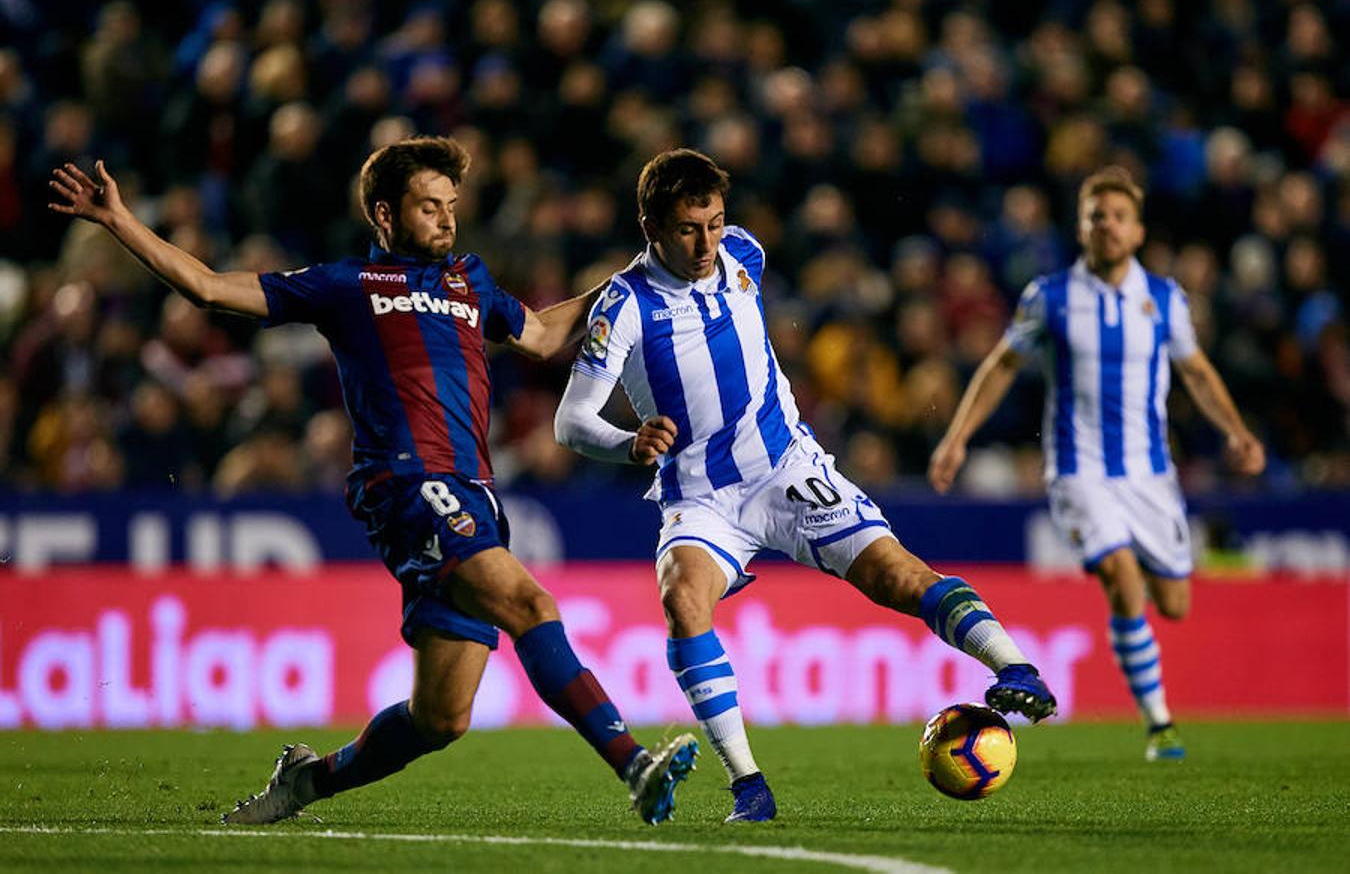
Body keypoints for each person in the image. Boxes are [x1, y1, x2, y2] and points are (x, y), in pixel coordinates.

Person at [47, 137, 698, 825]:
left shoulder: (468, 280)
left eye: (451, 206)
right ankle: (634, 764)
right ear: (385, 214)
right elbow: (208, 287)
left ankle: (303, 783)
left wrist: (631, 278)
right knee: (531, 605)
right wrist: (119, 221)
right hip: (410, 486)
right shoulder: (347, 285)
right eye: (429, 207)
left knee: (440, 718)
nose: (447, 220)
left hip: (473, 491)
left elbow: (538, 335)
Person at [553, 148, 1056, 823]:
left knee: (895, 575)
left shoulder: (743, 254)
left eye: (715, 223)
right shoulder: (626, 305)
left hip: (787, 468)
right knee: (682, 598)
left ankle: (1015, 668)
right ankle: (749, 786)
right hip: (700, 495)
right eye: (687, 229)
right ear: (650, 226)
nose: (707, 243)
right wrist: (627, 442)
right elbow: (570, 422)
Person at [929, 166, 1266, 761]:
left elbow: (1196, 372)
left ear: (1137, 232)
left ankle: (1158, 653)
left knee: (1175, 604)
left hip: (1151, 474)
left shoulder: (1164, 299)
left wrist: (1236, 431)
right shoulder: (1050, 296)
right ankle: (1160, 724)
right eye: (1095, 216)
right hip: (1078, 470)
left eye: (1117, 216)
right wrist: (957, 437)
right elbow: (1003, 365)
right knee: (1120, 574)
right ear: (1081, 228)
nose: (1106, 225)